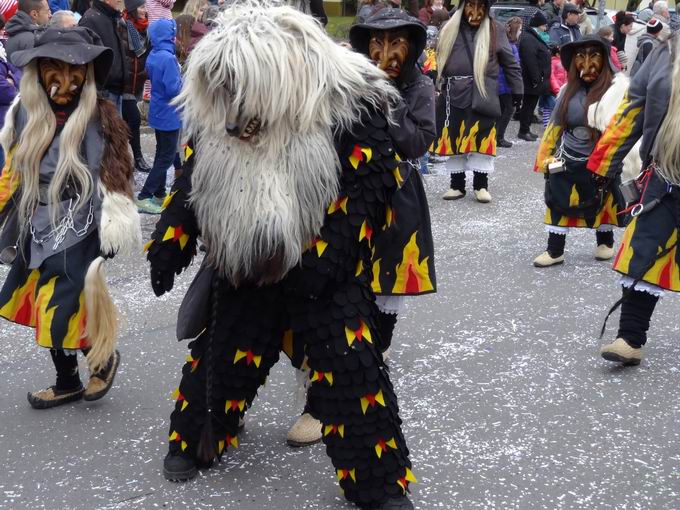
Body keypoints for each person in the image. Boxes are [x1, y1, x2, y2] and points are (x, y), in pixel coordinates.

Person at [149, 5, 416, 510]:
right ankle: (200, 436)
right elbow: (193, 182)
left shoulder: (348, 102)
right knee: (223, 355)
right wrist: (170, 242)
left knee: (351, 371)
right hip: (244, 264)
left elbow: (369, 185)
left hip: (326, 275)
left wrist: (325, 259)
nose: (233, 113)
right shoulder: (218, 116)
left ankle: (376, 483)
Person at [0, 27, 141, 408]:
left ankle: (94, 363)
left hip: (80, 220)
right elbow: (12, 170)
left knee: (59, 301)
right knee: (45, 298)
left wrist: (116, 219)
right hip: (38, 219)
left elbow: (117, 171)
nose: (64, 83)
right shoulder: (25, 111)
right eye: (54, 71)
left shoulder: (101, 115)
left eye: (74, 72)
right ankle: (78, 373)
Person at [589, 33, 679, 367]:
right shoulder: (664, 53)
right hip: (666, 175)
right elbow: (633, 108)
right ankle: (630, 338)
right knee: (644, 252)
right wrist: (604, 163)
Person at [532, 35, 622, 268]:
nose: (587, 63)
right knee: (559, 199)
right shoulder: (566, 91)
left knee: (602, 201)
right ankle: (555, 250)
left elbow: (622, 131)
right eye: (581, 57)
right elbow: (554, 126)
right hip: (567, 156)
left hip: (600, 159)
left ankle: (605, 242)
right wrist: (544, 156)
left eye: (594, 56)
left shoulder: (615, 92)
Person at [434, 0, 523, 203]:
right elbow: (437, 56)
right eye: (470, 5)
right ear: (462, 6)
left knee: (482, 137)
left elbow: (511, 63)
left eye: (480, 6)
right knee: (454, 136)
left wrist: (518, 91)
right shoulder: (449, 29)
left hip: (483, 93)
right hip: (453, 93)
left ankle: (481, 185)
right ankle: (456, 185)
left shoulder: (495, 29)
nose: (475, 12)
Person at [136, 18, 180, 214]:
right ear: (168, 35)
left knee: (161, 153)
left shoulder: (153, 54)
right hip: (170, 115)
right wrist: (186, 81)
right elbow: (173, 90)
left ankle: (159, 192)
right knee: (166, 157)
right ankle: (145, 195)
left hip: (158, 112)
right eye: (173, 32)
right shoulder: (169, 59)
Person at [79, 0, 127, 112]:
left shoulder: (110, 17)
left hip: (115, 91)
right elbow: (86, 58)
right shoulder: (90, 19)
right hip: (104, 93)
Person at [121, 0, 151, 173]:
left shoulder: (146, 29)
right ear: (132, 9)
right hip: (124, 83)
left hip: (136, 84)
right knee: (134, 119)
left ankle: (126, 157)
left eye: (144, 6)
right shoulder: (123, 26)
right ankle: (137, 157)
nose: (144, 11)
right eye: (140, 7)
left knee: (129, 121)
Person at [518, 11, 550, 141]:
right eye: (543, 25)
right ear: (537, 25)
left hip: (536, 81)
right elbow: (530, 61)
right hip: (532, 81)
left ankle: (526, 129)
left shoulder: (534, 37)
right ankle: (523, 131)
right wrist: (536, 79)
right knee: (528, 107)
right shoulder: (529, 38)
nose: (545, 28)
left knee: (530, 107)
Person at [497, 16, 521, 148]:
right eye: (520, 29)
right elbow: (514, 68)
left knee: (502, 110)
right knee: (508, 110)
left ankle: (496, 136)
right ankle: (499, 137)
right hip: (506, 85)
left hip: (502, 83)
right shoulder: (511, 47)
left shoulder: (504, 44)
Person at [0, 30, 19, 163]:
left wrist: (13, 78)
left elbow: (19, 71)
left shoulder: (2, 49)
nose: (3, 32)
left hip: (8, 119)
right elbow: (5, 92)